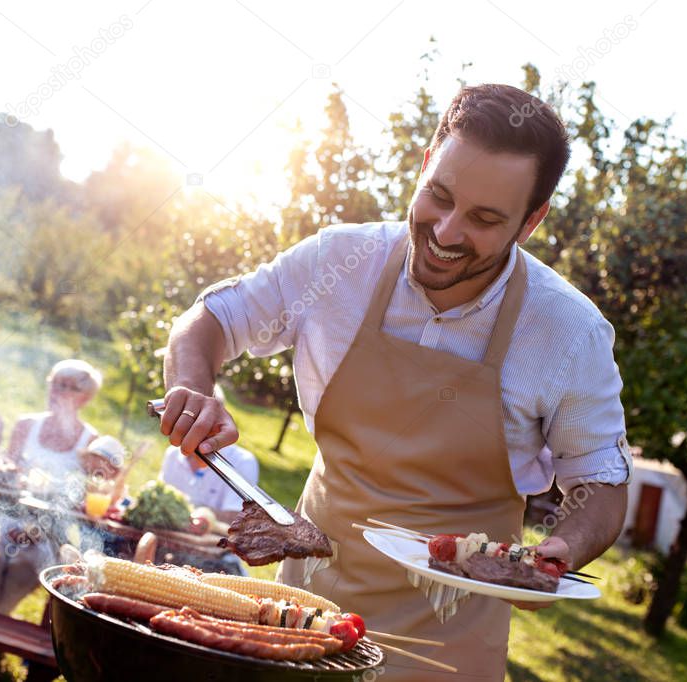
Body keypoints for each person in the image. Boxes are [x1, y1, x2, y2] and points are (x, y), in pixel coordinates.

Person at [158, 84, 631, 680]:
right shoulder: (339, 261)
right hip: (304, 614)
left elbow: (602, 483)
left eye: (485, 219)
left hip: (449, 643)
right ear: (426, 164)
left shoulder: (569, 332)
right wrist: (195, 387)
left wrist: (565, 548)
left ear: (531, 221)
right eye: (439, 196)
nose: (447, 232)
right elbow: (209, 321)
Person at [0, 359, 105, 616]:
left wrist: (38, 527)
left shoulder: (90, 440)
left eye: (69, 387)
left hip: (50, 525)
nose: (58, 391)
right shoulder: (26, 424)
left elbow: (82, 495)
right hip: (6, 513)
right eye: (55, 384)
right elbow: (6, 469)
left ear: (85, 398)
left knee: (24, 565)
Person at [159, 387, 258, 524]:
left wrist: (182, 511)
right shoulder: (172, 454)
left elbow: (236, 518)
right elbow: (161, 498)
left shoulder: (243, 462)